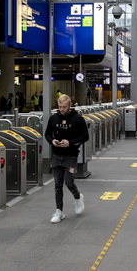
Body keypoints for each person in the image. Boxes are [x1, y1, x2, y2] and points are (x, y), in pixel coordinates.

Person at [44, 94, 88, 223]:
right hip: (57, 154)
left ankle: (78, 197)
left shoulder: (78, 119)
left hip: (71, 155)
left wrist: (71, 142)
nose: (62, 109)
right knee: (58, 185)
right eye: (60, 106)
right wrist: (52, 141)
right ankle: (59, 211)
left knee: (69, 182)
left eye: (64, 107)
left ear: (70, 105)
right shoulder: (53, 118)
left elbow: (85, 136)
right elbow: (47, 134)